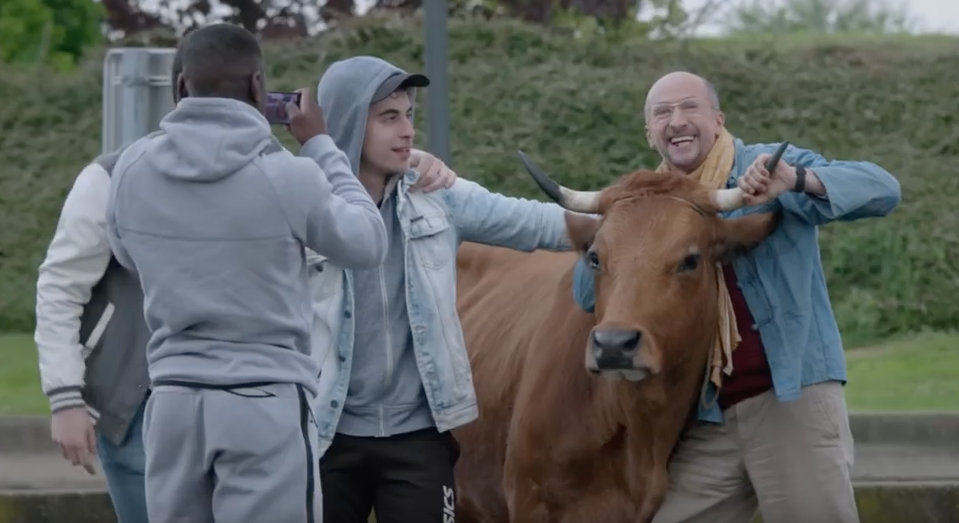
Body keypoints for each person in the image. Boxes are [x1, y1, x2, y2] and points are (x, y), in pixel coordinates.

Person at [571, 71, 902, 523]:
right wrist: (621, 240)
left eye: (690, 107)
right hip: (707, 412)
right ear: (649, 133)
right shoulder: (643, 202)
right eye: (662, 113)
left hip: (790, 401)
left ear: (718, 119)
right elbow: (586, 294)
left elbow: (883, 189)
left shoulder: (765, 168)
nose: (677, 120)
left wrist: (796, 180)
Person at [104, 23, 388, 523]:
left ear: (180, 88)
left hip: (172, 401)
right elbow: (367, 242)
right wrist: (321, 146)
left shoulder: (132, 168)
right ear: (258, 87)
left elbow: (128, 255)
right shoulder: (287, 174)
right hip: (264, 402)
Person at [310, 55, 574, 523]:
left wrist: (635, 217)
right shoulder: (301, 201)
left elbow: (538, 224)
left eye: (409, 115)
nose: (408, 131)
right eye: (389, 118)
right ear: (349, 122)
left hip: (418, 438)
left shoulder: (437, 196)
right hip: (323, 435)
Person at [33, 46, 191, 523]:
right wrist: (65, 398)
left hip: (231, 401)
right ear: (181, 92)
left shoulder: (266, 178)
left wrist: (405, 166)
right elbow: (61, 285)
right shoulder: (109, 176)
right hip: (133, 402)